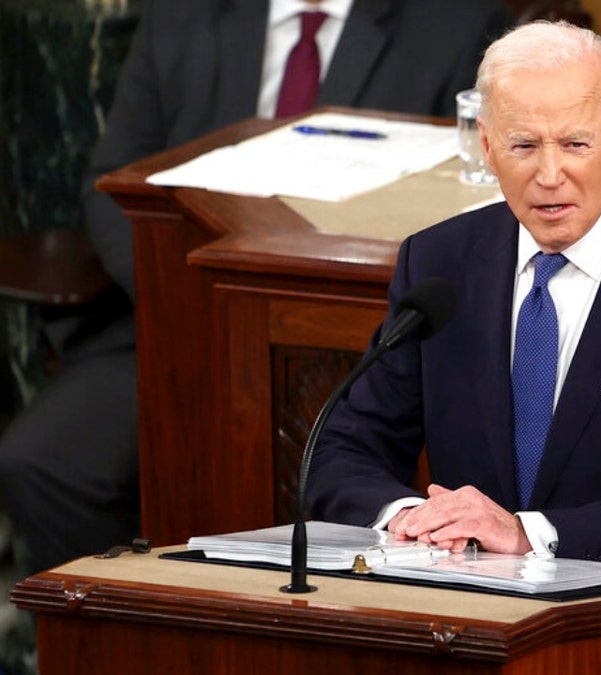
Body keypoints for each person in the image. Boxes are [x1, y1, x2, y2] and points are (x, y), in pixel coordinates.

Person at [0, 0, 513, 581]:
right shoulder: (182, 16)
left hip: (356, 335)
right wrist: (179, 299)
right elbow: (113, 183)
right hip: (176, 315)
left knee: (298, 477)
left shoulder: (453, 22)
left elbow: (472, 209)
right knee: (41, 461)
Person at [307, 20, 601, 570]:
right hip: (459, 605)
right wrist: (410, 517)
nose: (549, 173)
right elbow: (343, 452)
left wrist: (528, 534)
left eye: (575, 144)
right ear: (488, 147)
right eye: (523, 145)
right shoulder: (439, 263)